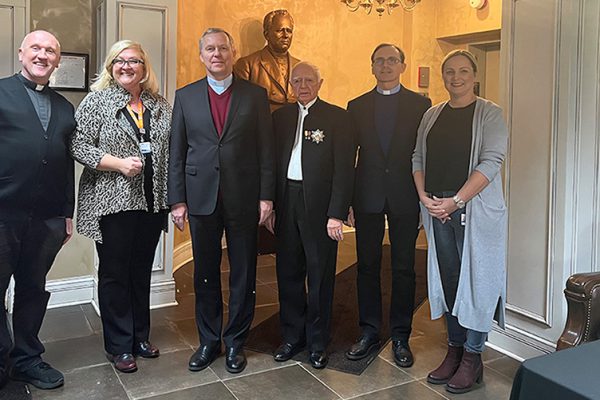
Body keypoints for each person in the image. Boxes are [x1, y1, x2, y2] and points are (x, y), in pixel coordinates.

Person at [168, 28, 274, 374]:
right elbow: (176, 153)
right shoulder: (185, 97)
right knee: (205, 273)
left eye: (223, 48)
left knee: (243, 272)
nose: (217, 54)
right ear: (202, 55)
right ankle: (209, 341)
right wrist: (177, 200)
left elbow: (266, 151)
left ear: (233, 52)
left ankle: (236, 342)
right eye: (210, 49)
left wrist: (266, 196)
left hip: (244, 197)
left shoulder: (255, 96)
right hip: (201, 197)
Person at [71, 40, 172, 373]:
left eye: (134, 61)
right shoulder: (97, 101)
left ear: (144, 68)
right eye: (120, 60)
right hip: (112, 202)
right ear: (111, 67)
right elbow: (78, 145)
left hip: (152, 202)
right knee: (115, 274)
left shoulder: (159, 104)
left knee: (140, 271)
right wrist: (117, 163)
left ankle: (140, 337)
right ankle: (119, 345)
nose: (127, 66)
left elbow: (171, 149)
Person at [412, 49, 508, 394]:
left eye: (463, 71)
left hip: (473, 212)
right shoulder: (432, 115)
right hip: (437, 209)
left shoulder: (490, 113)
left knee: (478, 283)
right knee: (450, 281)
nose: (456, 77)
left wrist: (457, 201)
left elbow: (491, 161)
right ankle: (454, 349)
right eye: (450, 71)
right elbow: (418, 157)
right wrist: (425, 197)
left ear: (475, 75)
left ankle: (472, 356)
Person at [345, 44, 431, 367]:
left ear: (402, 66)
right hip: (366, 196)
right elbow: (349, 156)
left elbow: (424, 154)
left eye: (392, 60)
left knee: (404, 268)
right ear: (371, 67)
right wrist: (346, 201)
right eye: (379, 61)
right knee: (366, 266)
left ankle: (400, 335)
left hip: (405, 195)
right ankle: (368, 331)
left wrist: (424, 198)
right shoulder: (356, 106)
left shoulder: (420, 105)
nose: (385, 65)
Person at [0, 30, 75, 390]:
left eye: (50, 51)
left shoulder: (64, 107)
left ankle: (26, 359)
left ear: (57, 60)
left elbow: (66, 165)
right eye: (36, 48)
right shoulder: (1, 92)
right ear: (21, 53)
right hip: (3, 215)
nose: (43, 55)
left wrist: (67, 214)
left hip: (46, 219)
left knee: (33, 289)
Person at [268, 62, 354, 369]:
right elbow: (270, 164)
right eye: (297, 81)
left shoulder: (337, 118)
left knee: (319, 275)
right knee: (288, 272)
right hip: (286, 200)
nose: (302, 86)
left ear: (320, 83)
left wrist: (337, 213)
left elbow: (344, 170)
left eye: (308, 80)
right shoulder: (279, 118)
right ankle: (292, 337)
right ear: (290, 85)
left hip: (320, 206)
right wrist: (271, 205)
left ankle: (317, 341)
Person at [234, 9, 300, 112]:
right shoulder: (247, 65)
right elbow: (241, 108)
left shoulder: (300, 66)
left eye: (289, 31)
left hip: (293, 121)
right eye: (280, 30)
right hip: (263, 121)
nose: (285, 35)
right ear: (266, 34)